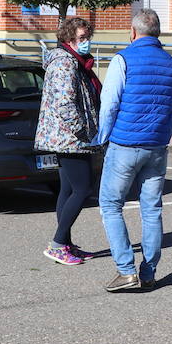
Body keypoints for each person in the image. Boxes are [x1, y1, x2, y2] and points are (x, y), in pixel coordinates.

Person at [95, 9, 172, 292]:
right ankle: (148, 271)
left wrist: (103, 137)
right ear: (157, 33)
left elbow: (109, 103)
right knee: (152, 210)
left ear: (132, 33)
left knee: (111, 205)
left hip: (125, 144)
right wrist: (163, 134)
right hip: (157, 146)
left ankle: (125, 270)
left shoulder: (123, 59)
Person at [34, 16, 103, 267]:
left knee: (68, 189)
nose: (86, 42)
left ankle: (65, 244)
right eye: (81, 38)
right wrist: (83, 132)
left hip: (68, 137)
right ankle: (57, 244)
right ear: (69, 38)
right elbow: (65, 103)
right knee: (83, 188)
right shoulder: (64, 63)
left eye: (87, 37)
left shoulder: (75, 61)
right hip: (70, 138)